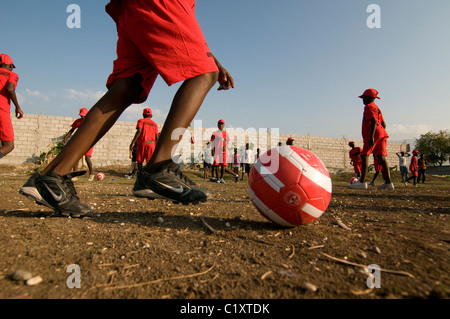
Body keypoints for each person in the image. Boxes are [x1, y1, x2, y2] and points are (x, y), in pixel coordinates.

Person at [20, 0, 234, 217]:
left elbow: (187, 25)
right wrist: (211, 63)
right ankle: (157, 170)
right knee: (205, 74)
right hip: (160, 4)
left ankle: (51, 176)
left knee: (126, 88)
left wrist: (211, 58)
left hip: (133, 9)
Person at [348, 88, 394, 190]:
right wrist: (379, 132)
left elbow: (373, 120)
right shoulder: (377, 108)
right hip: (382, 133)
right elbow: (384, 124)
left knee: (365, 156)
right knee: (381, 157)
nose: (362, 100)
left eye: (364, 98)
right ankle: (388, 183)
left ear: (369, 98)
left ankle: (362, 181)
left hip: (373, 134)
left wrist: (372, 137)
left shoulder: (368, 107)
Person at [0, 53, 23, 159]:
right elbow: (10, 88)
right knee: (8, 146)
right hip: (2, 110)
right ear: (10, 66)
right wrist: (17, 107)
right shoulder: (12, 75)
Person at [62, 108, 96, 181]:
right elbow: (72, 130)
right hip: (80, 142)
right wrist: (65, 138)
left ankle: (91, 174)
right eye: (81, 115)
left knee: (87, 158)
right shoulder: (78, 122)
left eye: (84, 115)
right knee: (76, 158)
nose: (83, 117)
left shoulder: (90, 121)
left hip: (89, 142)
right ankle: (75, 175)